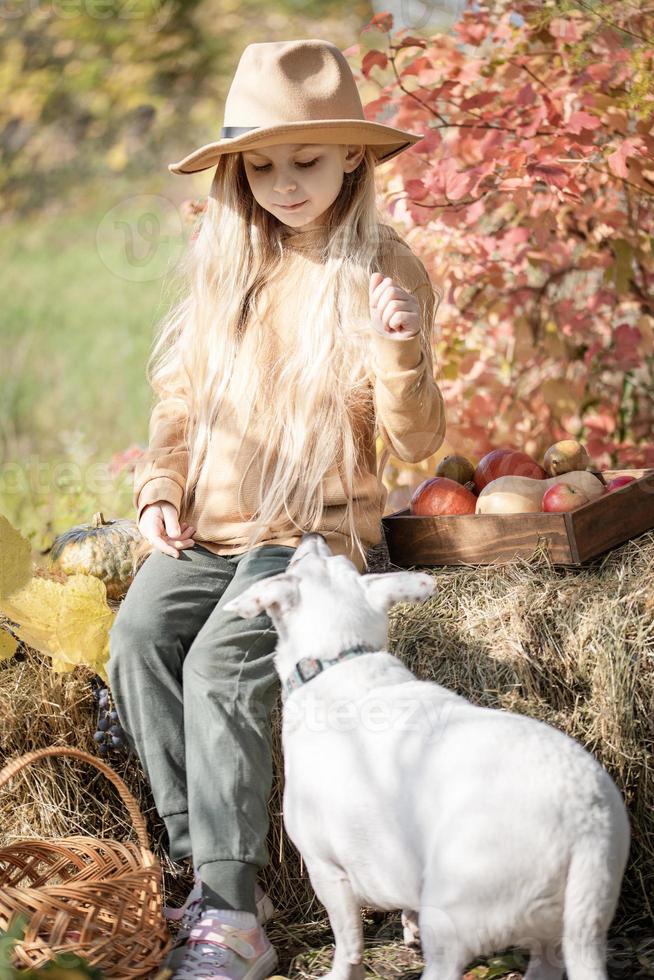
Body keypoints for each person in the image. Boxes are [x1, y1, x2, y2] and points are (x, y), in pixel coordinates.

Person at [107, 37, 446, 980]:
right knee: (137, 637)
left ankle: (232, 915)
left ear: (353, 158)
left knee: (223, 662)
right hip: (211, 533)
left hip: (308, 536)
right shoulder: (230, 265)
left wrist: (399, 349)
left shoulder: (381, 268)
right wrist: (158, 489)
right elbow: (176, 405)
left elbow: (418, 443)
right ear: (236, 174)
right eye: (260, 166)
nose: (284, 183)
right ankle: (203, 866)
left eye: (306, 160)